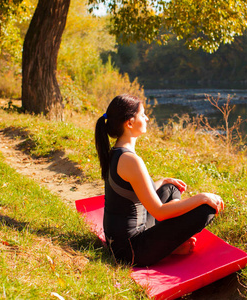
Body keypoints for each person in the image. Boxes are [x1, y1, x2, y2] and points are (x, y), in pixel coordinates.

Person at [95, 94, 225, 267]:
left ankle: (170, 241)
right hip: (131, 251)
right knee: (206, 209)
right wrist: (201, 197)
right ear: (130, 123)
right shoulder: (130, 160)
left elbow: (133, 192)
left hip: (122, 241)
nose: (147, 118)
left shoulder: (117, 152)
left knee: (171, 188)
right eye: (142, 115)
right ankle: (171, 244)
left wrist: (162, 182)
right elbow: (159, 211)